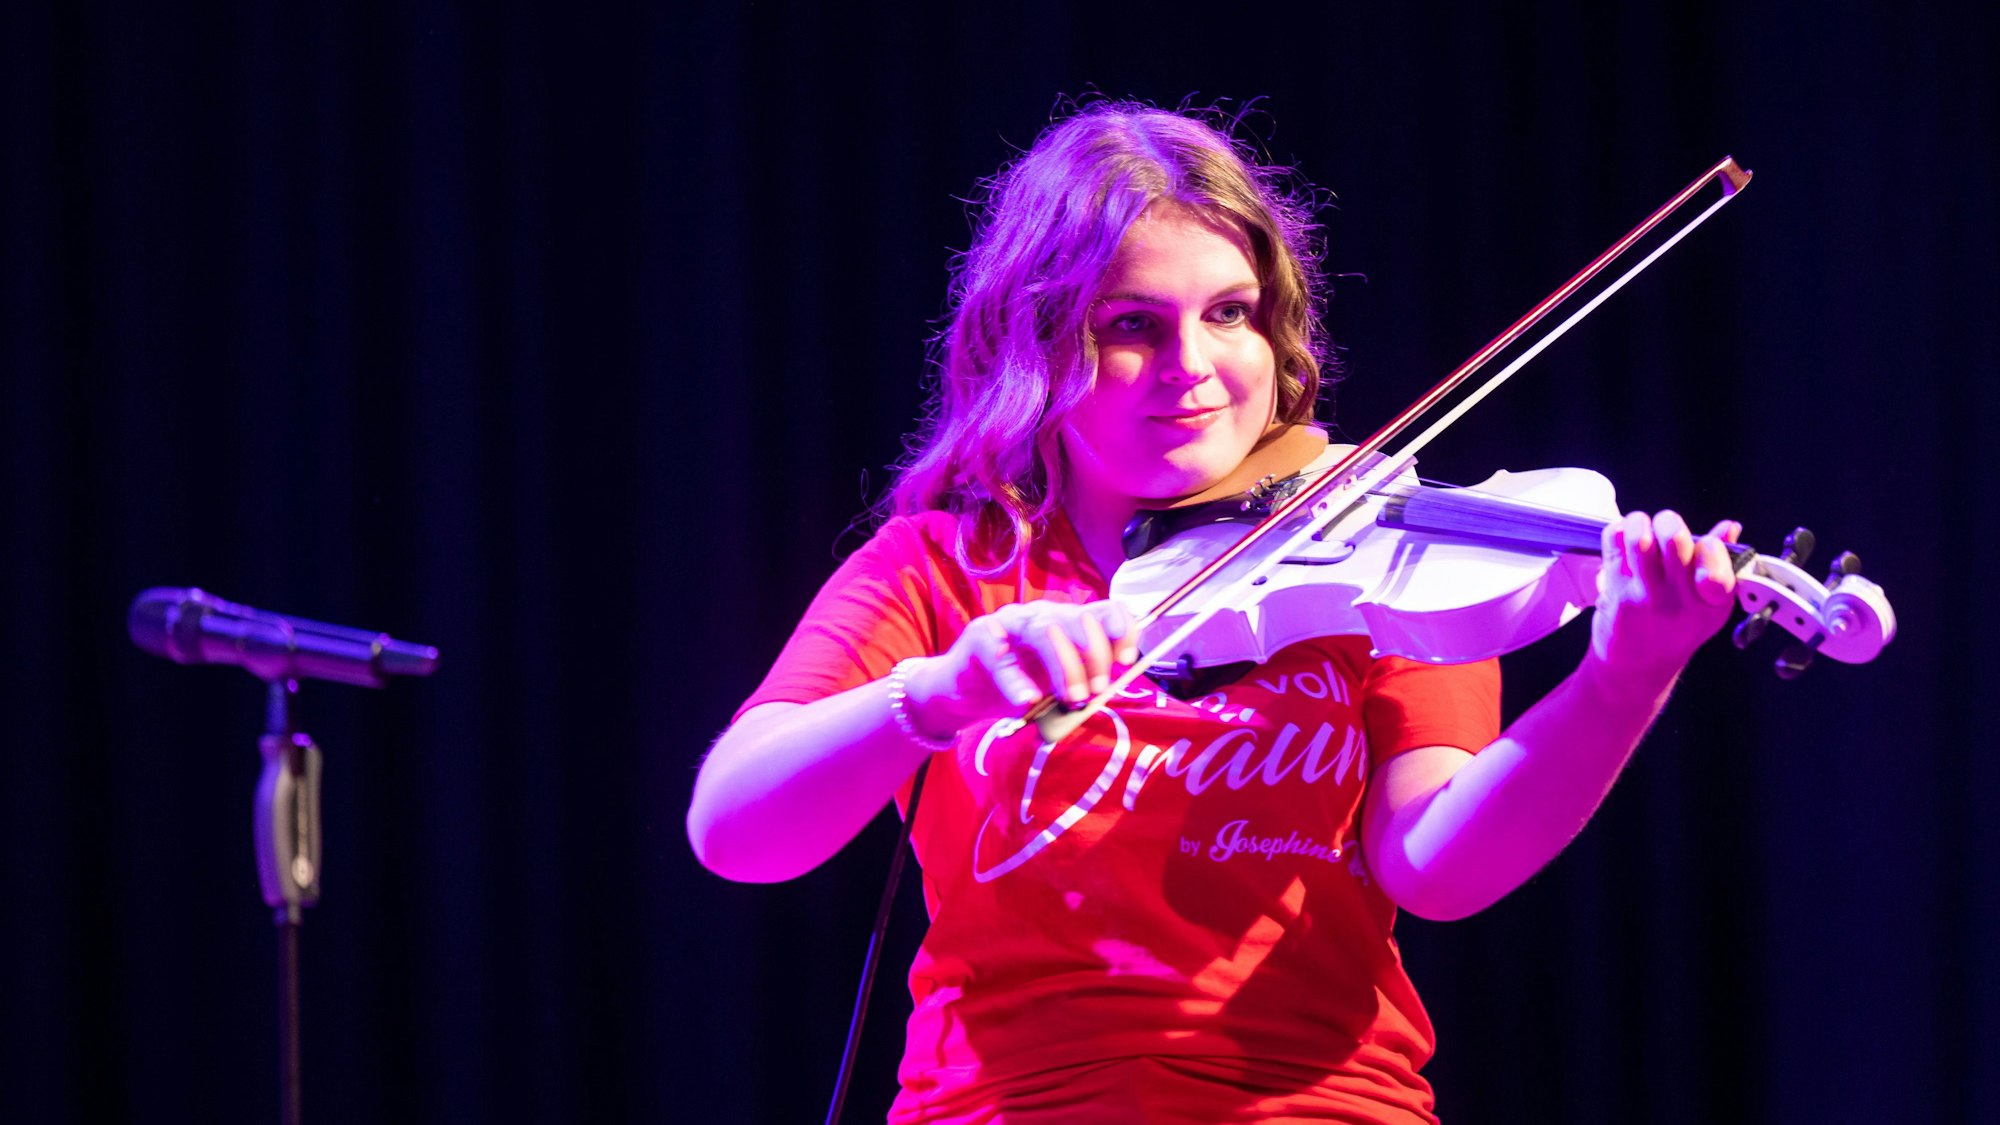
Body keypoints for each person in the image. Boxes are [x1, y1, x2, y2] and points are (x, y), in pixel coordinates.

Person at [686, 103, 1740, 1124]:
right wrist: (938, 693)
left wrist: (1622, 679)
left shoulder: (1375, 554)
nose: (1192, 366)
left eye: (1229, 313)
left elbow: (1437, 868)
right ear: (1039, 346)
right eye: (1132, 326)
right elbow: (734, 831)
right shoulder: (946, 566)